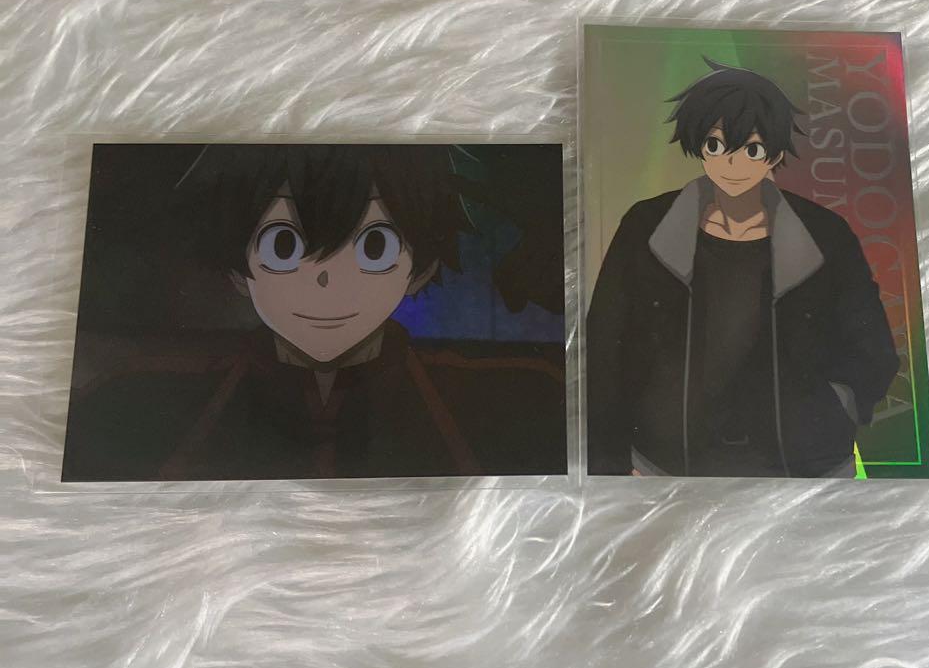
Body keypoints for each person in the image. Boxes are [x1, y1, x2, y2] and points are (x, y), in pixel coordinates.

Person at [62, 144, 566, 481]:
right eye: (283, 245)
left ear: (421, 269)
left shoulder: (523, 401)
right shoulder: (125, 402)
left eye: (374, 246)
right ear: (238, 269)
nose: (326, 278)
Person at [587, 60, 898, 478]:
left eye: (751, 149)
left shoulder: (826, 233)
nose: (732, 164)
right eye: (716, 145)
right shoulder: (646, 225)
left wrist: (831, 409)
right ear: (699, 145)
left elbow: (872, 347)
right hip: (664, 465)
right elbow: (604, 346)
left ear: (775, 152)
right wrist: (610, 463)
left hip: (805, 468)